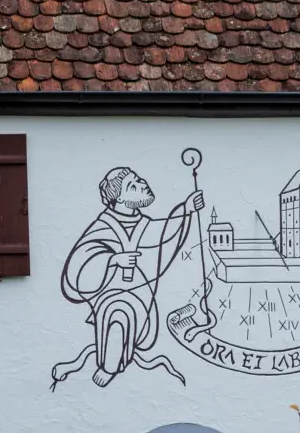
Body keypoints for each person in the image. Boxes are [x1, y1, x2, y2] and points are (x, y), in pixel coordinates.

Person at [52, 166, 204, 388]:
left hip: (140, 295)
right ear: (120, 199)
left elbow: (164, 233)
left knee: (130, 311)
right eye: (133, 185)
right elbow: (81, 260)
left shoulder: (144, 224)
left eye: (139, 179)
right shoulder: (103, 226)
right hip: (108, 295)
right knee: (118, 312)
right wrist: (113, 260)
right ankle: (108, 366)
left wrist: (187, 209)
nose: (143, 183)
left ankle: (119, 353)